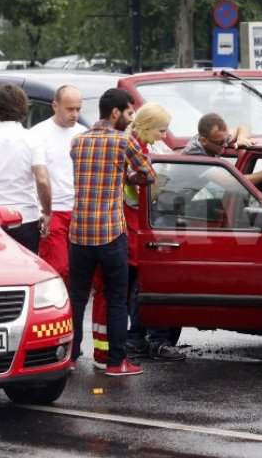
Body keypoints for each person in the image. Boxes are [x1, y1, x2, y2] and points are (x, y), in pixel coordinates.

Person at [68, 88, 155, 377]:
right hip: (110, 233)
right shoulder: (123, 141)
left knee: (78, 298)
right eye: (128, 113)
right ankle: (116, 362)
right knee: (117, 298)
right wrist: (128, 176)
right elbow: (148, 175)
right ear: (115, 113)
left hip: (79, 234)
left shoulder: (77, 142)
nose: (129, 120)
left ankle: (68, 357)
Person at [119, 103, 186, 362]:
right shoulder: (133, 149)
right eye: (161, 130)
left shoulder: (150, 145)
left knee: (143, 285)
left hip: (144, 222)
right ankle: (150, 339)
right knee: (148, 283)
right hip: (135, 223)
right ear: (146, 127)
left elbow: (173, 161)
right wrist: (165, 184)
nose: (164, 135)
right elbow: (145, 191)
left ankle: (138, 338)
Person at [0, 84, 52, 253]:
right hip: (26, 218)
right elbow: (42, 180)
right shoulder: (32, 139)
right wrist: (48, 211)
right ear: (22, 108)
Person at [32, 85, 87, 287]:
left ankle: (72, 315)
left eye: (78, 109)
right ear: (55, 106)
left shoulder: (84, 135)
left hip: (79, 210)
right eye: (69, 109)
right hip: (52, 211)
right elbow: (33, 176)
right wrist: (40, 210)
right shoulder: (38, 134)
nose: (75, 114)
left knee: (79, 271)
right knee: (58, 267)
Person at [183, 112, 262, 185]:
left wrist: (241, 138)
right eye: (220, 143)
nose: (225, 145)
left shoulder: (217, 138)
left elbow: (241, 128)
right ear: (204, 140)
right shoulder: (195, 154)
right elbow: (229, 183)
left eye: (226, 140)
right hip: (173, 202)